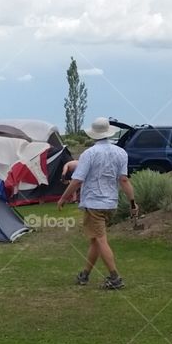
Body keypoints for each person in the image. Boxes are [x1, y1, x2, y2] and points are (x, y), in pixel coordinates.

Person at [57, 116, 138, 289]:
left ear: (93, 134)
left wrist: (63, 198)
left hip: (94, 203)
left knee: (100, 240)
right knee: (95, 240)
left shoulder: (89, 153)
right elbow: (124, 180)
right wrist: (132, 203)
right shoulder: (121, 153)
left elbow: (77, 180)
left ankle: (115, 278)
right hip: (111, 203)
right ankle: (84, 275)